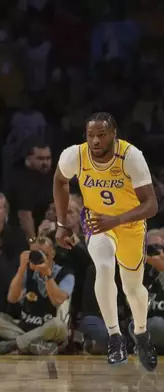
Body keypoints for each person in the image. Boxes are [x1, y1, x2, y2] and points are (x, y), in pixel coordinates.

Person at [54, 112, 158, 371]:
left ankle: (142, 334)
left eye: (101, 135)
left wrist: (118, 220)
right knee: (103, 265)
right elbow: (60, 180)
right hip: (98, 222)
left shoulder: (130, 156)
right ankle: (114, 337)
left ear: (114, 134)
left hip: (130, 224)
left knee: (133, 288)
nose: (96, 141)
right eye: (91, 135)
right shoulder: (74, 155)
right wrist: (61, 224)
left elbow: (151, 205)